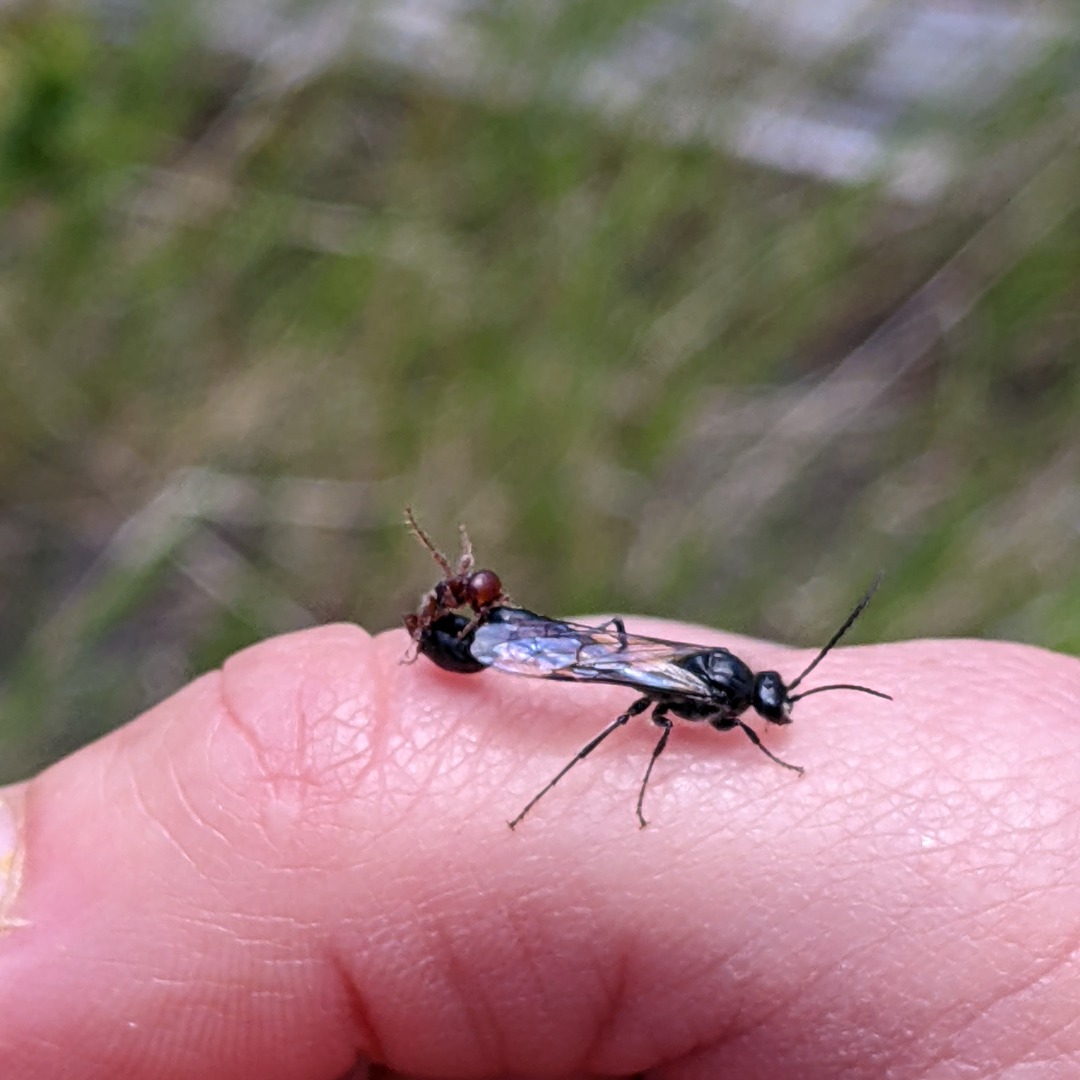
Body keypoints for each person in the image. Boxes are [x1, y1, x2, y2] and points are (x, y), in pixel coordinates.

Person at [1, 618, 1078, 1078]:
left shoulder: (730, 688)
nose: (769, 714)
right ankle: (539, 724)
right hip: (581, 663)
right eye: (768, 708)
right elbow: (666, 697)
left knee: (624, 695)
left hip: (584, 654)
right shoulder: (715, 695)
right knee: (622, 707)